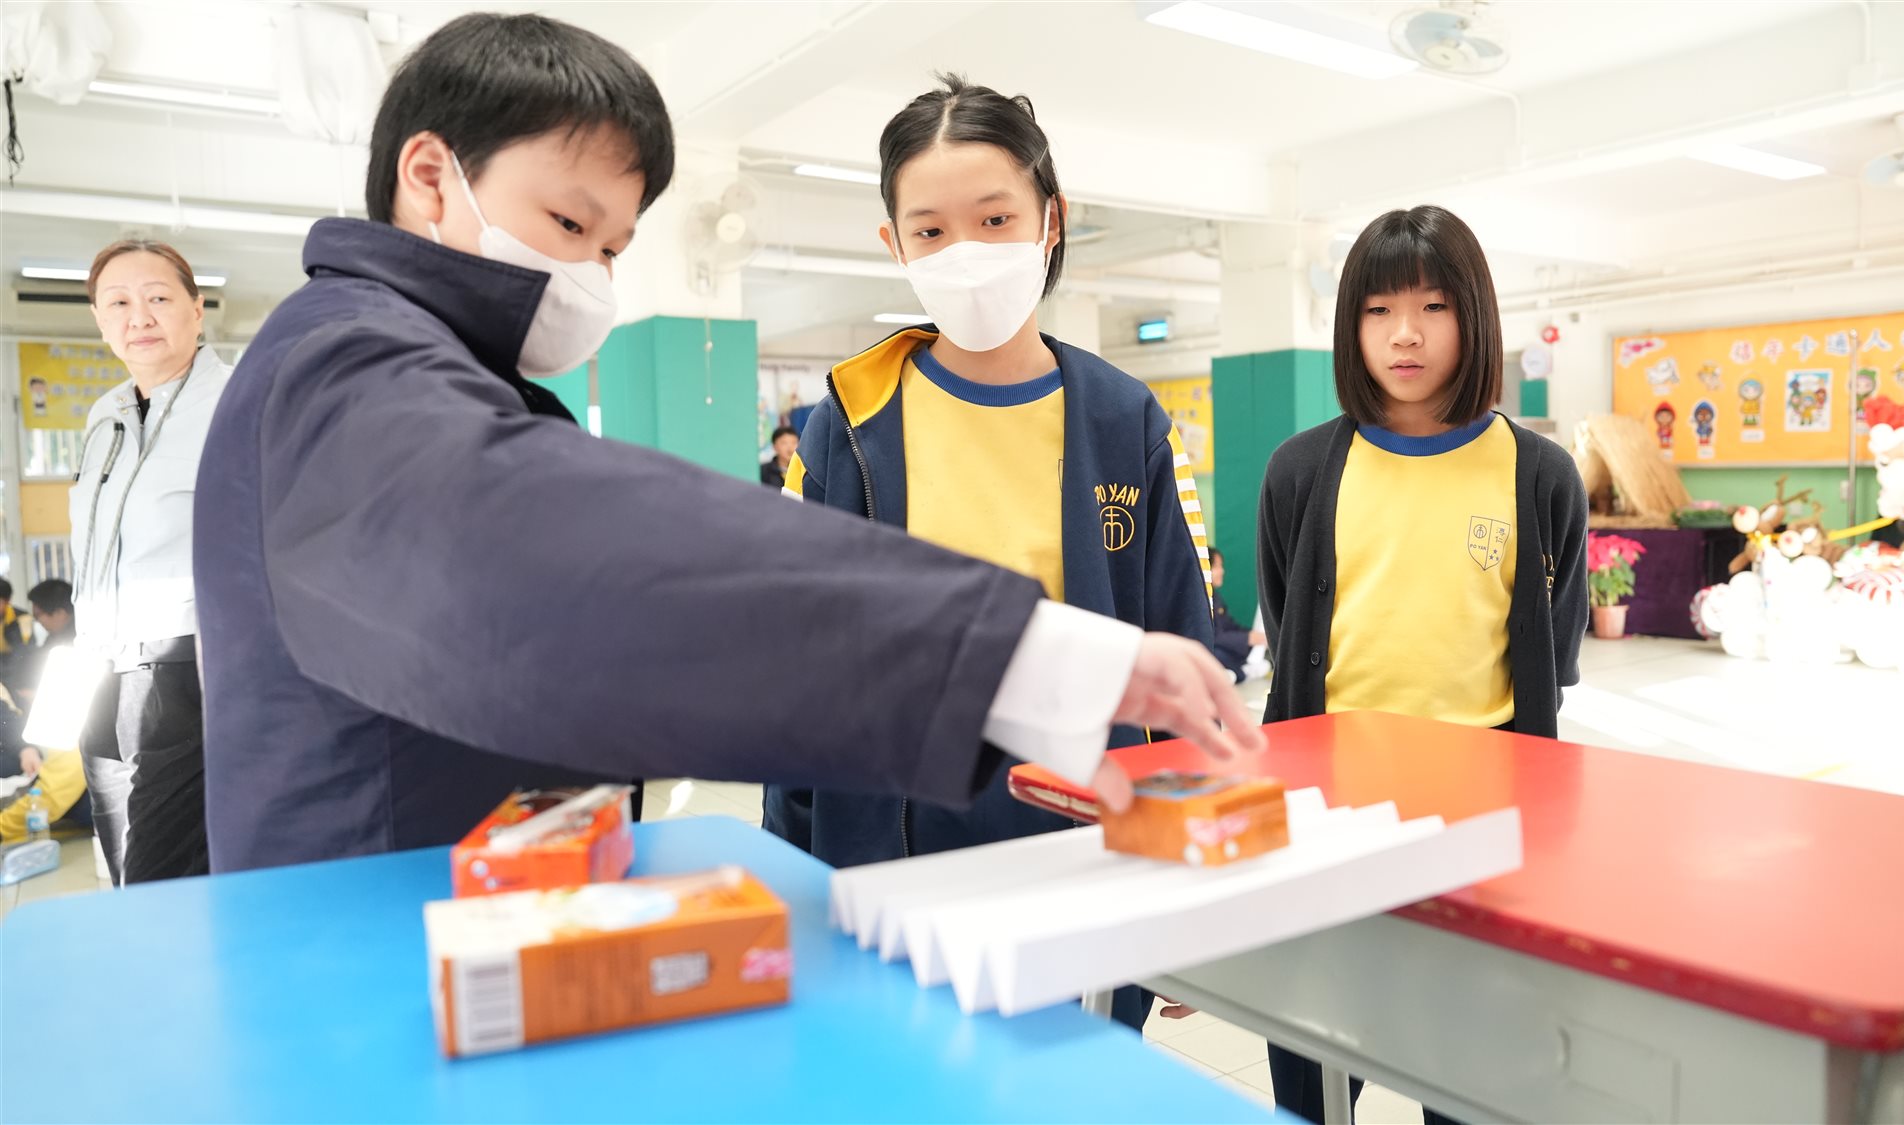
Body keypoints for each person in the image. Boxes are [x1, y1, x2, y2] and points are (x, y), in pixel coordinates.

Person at [191, 13, 1261, 877]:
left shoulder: (1119, 414)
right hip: (378, 944)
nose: (591, 277)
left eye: (614, 248)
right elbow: (564, 561)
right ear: (430, 176)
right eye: (569, 227)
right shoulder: (344, 368)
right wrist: (1016, 656)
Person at [761, 74, 1215, 1031]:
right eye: (930, 230)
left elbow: (1179, 648)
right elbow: (801, 669)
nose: (964, 252)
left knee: (1076, 1079)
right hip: (894, 850)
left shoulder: (1122, 419)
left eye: (995, 218)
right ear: (893, 244)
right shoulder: (850, 424)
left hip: (1085, 841)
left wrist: (1193, 880)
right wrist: (790, 864)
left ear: (1052, 220)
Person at [1255, 205, 1588, 1125]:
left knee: (1472, 1069)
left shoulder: (1539, 474)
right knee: (1314, 1066)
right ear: (1350, 324)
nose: (1405, 333)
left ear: (1474, 315)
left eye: (1434, 306)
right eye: (1379, 310)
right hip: (1329, 813)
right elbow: (1289, 636)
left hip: (1481, 822)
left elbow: (1549, 658)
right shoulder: (1300, 471)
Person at [68, 239, 233, 886]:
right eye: (118, 303)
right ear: (100, 321)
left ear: (196, 308)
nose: (139, 317)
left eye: (159, 297)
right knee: (117, 866)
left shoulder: (238, 400)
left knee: (159, 872)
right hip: (100, 664)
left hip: (185, 664)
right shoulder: (104, 414)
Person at [11, 579, 76, 709]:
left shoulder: (79, 640)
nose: (38, 621)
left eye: (38, 616)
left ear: (60, 613)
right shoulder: (56, 636)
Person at [1205, 547, 1264, 682]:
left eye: (1221, 566)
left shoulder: (1216, 596)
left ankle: (1237, 672)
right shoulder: (1202, 598)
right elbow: (1215, 636)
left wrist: (1252, 635)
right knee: (1218, 655)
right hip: (1211, 649)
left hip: (1222, 648)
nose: (1222, 571)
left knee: (1244, 652)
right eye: (1217, 566)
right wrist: (1247, 638)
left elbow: (1229, 625)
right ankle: (1239, 673)